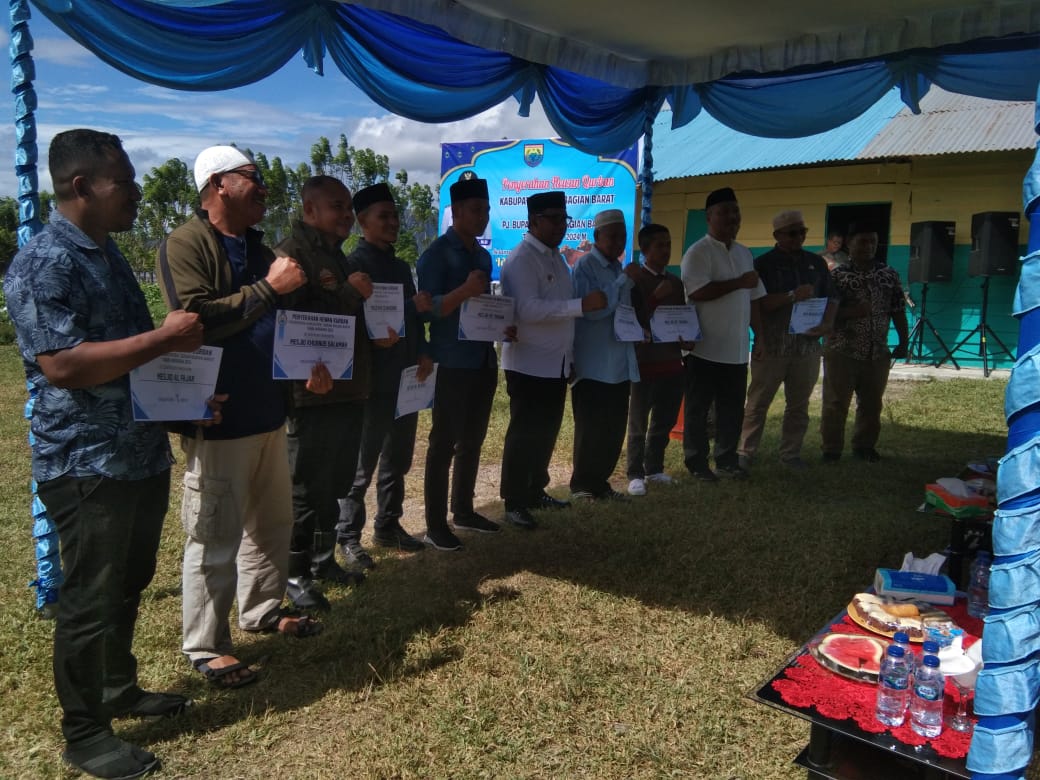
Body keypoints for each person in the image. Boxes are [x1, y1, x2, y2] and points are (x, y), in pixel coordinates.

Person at [4, 128, 206, 779]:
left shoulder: (107, 254)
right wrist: (163, 339)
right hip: (85, 463)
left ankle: (118, 689)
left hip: (136, 451)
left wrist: (183, 401)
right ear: (81, 186)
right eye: (124, 181)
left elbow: (131, 355)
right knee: (90, 596)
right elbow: (62, 364)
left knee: (128, 580)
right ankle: (86, 734)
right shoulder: (45, 261)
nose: (137, 191)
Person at [158, 145, 326, 690]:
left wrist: (308, 366)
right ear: (218, 184)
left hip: (269, 410)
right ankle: (206, 645)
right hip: (220, 417)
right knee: (215, 535)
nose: (263, 187)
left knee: (271, 524)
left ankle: (261, 610)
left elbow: (281, 323)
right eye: (252, 176)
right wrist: (269, 288)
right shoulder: (186, 243)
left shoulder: (258, 248)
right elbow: (195, 321)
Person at [275, 176, 371, 610]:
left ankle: (322, 561)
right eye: (337, 206)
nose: (347, 215)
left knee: (335, 481)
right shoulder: (291, 255)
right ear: (310, 209)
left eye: (349, 207)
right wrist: (351, 293)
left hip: (346, 389)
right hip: (311, 393)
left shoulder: (334, 254)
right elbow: (297, 321)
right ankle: (294, 574)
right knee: (305, 488)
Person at [337, 183, 433, 564]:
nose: (393, 222)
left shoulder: (399, 267)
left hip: (406, 376)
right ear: (362, 222)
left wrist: (423, 351)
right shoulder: (353, 267)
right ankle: (348, 535)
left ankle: (388, 524)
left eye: (395, 215)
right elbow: (348, 323)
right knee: (362, 465)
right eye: (384, 216)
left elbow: (413, 319)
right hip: (371, 381)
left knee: (399, 458)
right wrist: (408, 309)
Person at [417, 176, 515, 551]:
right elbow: (427, 311)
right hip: (451, 361)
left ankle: (463, 510)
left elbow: (481, 307)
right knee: (443, 443)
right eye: (476, 210)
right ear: (455, 211)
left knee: (472, 440)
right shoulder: (436, 255)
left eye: (486, 210)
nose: (483, 217)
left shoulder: (483, 256)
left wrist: (501, 325)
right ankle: (434, 525)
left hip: (482, 359)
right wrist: (464, 290)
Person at [499, 191, 607, 529]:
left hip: (555, 362)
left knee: (546, 431)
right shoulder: (522, 259)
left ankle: (535, 490)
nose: (562, 225)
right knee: (524, 433)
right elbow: (527, 310)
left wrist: (568, 356)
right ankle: (514, 501)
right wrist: (581, 306)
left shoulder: (556, 259)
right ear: (534, 221)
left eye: (564, 219)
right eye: (554, 219)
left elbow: (560, 313)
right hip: (528, 363)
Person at [737, 210, 837, 471]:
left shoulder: (816, 263)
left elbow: (832, 297)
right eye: (792, 233)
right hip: (773, 345)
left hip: (807, 346)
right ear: (777, 235)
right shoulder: (763, 265)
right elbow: (758, 304)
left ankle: (791, 454)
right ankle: (745, 453)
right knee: (758, 403)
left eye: (802, 232)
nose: (798, 237)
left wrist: (827, 324)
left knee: (799, 405)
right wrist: (792, 295)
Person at [680, 187, 766, 481]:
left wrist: (760, 337)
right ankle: (696, 463)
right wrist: (738, 282)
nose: (732, 217)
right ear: (709, 217)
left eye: (735, 211)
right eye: (724, 212)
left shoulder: (744, 253)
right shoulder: (698, 252)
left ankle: (727, 460)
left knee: (732, 410)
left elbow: (755, 298)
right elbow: (698, 292)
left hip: (737, 349)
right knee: (698, 409)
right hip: (703, 349)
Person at [820, 223, 909, 462]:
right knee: (835, 402)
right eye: (863, 241)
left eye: (873, 242)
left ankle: (864, 447)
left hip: (877, 351)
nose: (869, 246)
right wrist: (852, 312)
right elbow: (825, 313)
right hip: (842, 349)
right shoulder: (837, 276)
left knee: (871, 403)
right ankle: (831, 449)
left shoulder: (888, 275)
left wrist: (904, 341)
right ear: (850, 243)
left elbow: (898, 310)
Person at [569, 209, 638, 500]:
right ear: (597, 236)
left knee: (613, 428)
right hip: (593, 363)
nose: (619, 242)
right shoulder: (585, 266)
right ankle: (582, 485)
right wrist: (622, 283)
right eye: (612, 236)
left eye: (623, 236)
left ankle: (600, 483)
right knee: (591, 428)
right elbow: (592, 311)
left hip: (619, 361)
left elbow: (623, 312)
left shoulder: (618, 268)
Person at [624, 224, 687, 496]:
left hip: (672, 362)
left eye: (668, 244)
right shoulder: (635, 281)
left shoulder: (676, 282)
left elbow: (681, 317)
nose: (666, 250)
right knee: (638, 422)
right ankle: (635, 473)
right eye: (659, 245)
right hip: (644, 363)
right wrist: (653, 298)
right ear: (645, 249)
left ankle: (654, 468)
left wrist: (687, 338)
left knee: (664, 420)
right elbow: (630, 320)